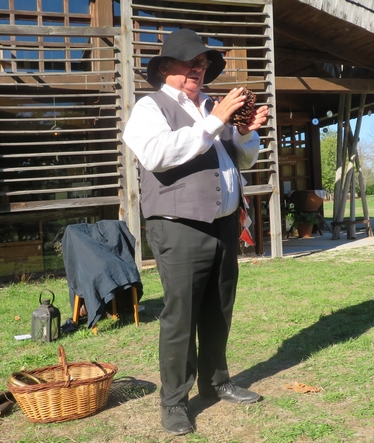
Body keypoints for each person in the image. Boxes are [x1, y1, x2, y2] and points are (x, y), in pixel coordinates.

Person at [122, 28, 269, 436]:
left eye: (202, 63)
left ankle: (215, 380)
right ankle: (173, 402)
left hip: (223, 223)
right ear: (166, 68)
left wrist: (243, 131)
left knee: (218, 309)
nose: (198, 69)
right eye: (191, 62)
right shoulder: (149, 108)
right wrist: (214, 121)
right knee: (181, 317)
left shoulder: (209, 106)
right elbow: (156, 155)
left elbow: (243, 161)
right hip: (179, 227)